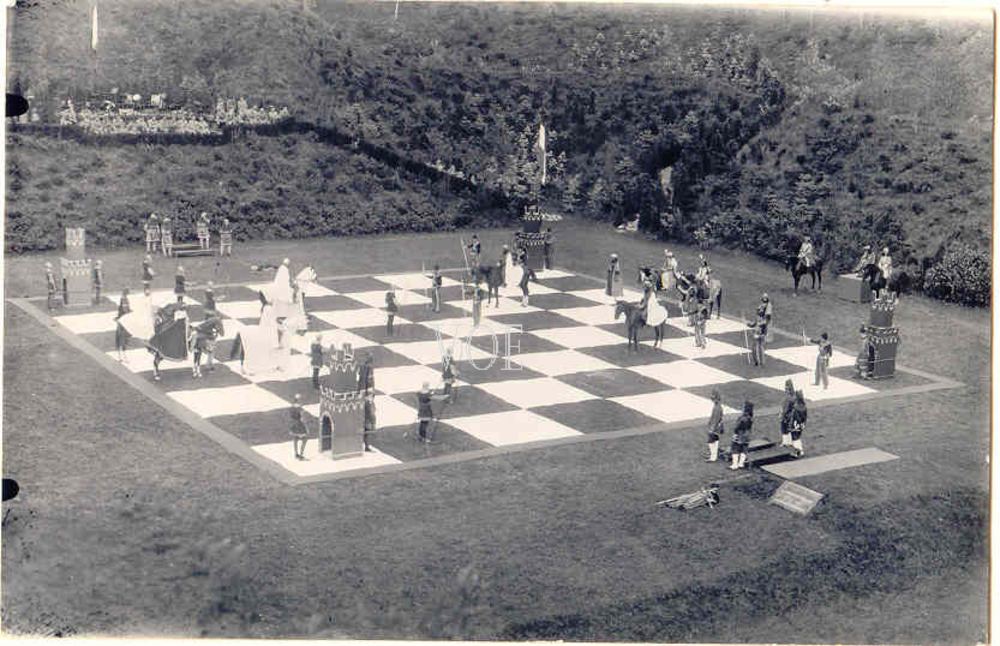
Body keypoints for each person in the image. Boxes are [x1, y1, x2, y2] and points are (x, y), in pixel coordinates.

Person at [729, 400, 754, 470]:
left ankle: (734, 465)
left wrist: (735, 433)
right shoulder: (750, 417)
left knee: (735, 448)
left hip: (740, 434)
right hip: (747, 435)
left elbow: (737, 427)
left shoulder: (742, 417)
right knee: (744, 448)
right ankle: (741, 463)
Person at [705, 390, 724, 462]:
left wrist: (712, 429)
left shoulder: (717, 408)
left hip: (715, 427)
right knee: (715, 440)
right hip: (717, 427)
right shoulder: (718, 406)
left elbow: (716, 419)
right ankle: (714, 455)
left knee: (710, 442)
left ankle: (713, 456)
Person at [115, 288, 131, 362]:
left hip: (121, 320)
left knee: (120, 339)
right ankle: (123, 357)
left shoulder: (123, 299)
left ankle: (120, 356)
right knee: (123, 338)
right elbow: (125, 310)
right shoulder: (124, 299)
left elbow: (122, 310)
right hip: (123, 321)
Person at [290, 394, 309, 460]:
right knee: (304, 439)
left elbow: (291, 416)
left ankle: (296, 454)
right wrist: (306, 427)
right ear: (299, 400)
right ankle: (301, 455)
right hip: (300, 426)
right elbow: (303, 419)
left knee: (295, 439)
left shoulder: (292, 407)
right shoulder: (300, 408)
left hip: (294, 425)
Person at [789, 391, 807, 458]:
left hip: (795, 424)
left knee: (795, 438)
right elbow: (805, 417)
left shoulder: (796, 407)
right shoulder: (804, 406)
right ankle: (801, 451)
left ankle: (797, 452)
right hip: (801, 424)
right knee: (798, 437)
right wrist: (803, 424)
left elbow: (795, 417)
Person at [779, 379, 796, 447]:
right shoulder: (794, 396)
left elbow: (785, 409)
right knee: (789, 429)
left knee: (784, 428)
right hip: (792, 415)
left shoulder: (788, 398)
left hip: (787, 415)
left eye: (786, 389)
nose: (785, 390)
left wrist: (782, 415)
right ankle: (790, 442)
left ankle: (786, 442)